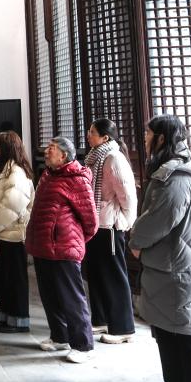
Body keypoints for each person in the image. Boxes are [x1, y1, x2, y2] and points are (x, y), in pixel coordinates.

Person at [129, 115, 191, 382]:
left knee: (184, 334)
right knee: (167, 330)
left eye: (148, 133)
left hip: (180, 266)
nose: (144, 138)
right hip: (169, 262)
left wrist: (136, 240)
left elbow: (160, 218)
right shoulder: (169, 170)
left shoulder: (176, 177)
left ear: (161, 138)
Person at [25, 136, 98, 364]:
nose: (46, 152)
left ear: (64, 155)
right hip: (43, 246)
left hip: (64, 248)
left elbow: (91, 220)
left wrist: (71, 240)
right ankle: (59, 336)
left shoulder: (77, 179)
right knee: (50, 295)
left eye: (51, 148)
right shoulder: (48, 175)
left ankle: (83, 345)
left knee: (72, 298)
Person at [82, 118, 137, 344]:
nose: (88, 135)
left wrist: (124, 222)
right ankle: (102, 319)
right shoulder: (94, 157)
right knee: (96, 274)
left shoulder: (113, 158)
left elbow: (127, 195)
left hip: (110, 225)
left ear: (105, 137)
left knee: (114, 276)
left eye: (92, 132)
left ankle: (123, 327)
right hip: (96, 223)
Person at [0, 130, 35, 332]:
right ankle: (7, 317)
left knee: (15, 281)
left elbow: (11, 206)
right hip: (4, 235)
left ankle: (19, 321)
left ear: (6, 149)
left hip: (14, 236)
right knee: (5, 279)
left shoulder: (17, 173)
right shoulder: (6, 170)